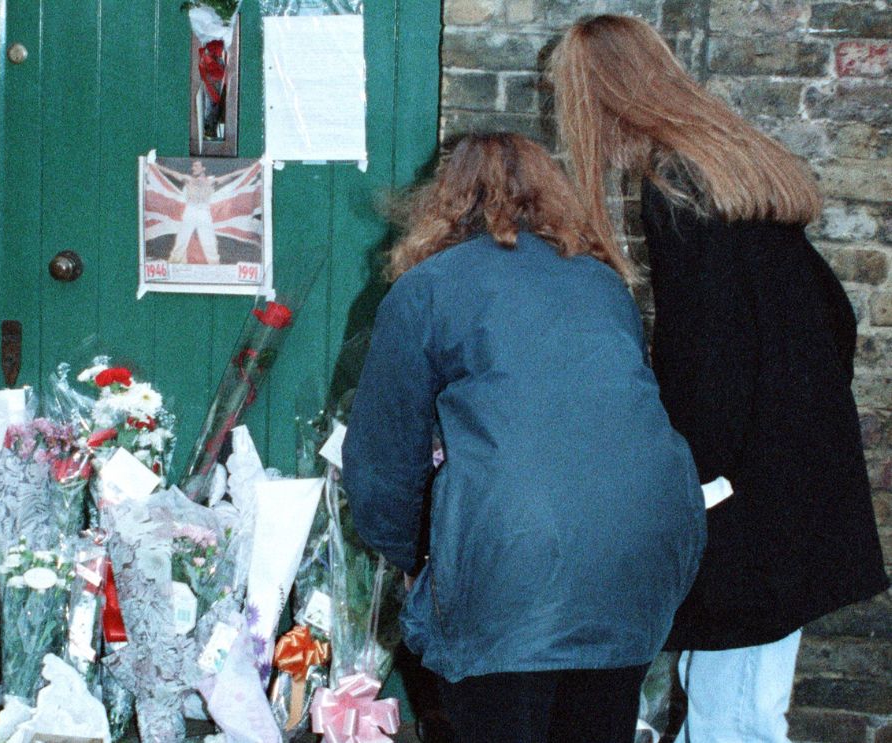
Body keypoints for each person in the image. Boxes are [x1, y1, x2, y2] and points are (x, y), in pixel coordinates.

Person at [549, 15, 890, 743]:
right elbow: (836, 316)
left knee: (731, 714)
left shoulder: (674, 183)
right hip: (794, 474)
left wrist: (690, 474)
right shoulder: (730, 164)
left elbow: (704, 360)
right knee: (736, 699)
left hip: (746, 494)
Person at [341, 132, 707, 743]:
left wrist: (421, 562)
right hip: (645, 544)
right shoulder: (601, 283)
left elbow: (382, 464)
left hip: (512, 557)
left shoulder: (427, 288)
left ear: (443, 200)